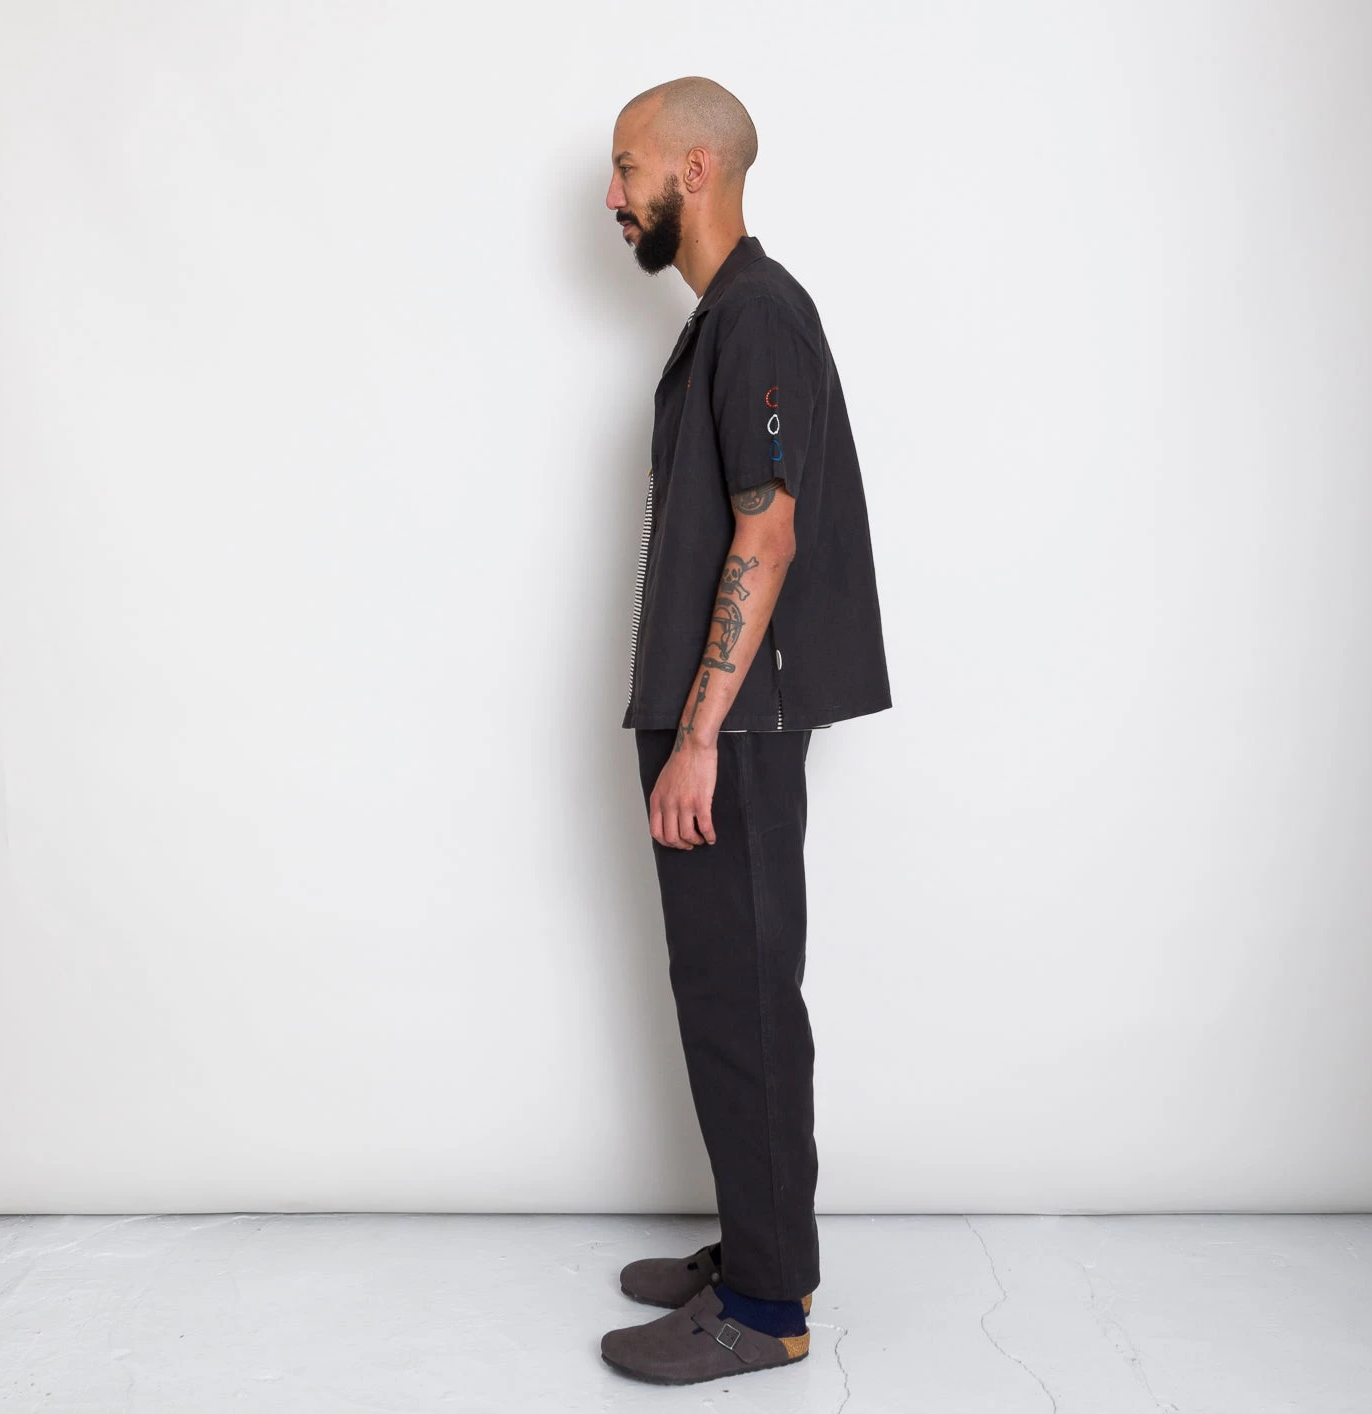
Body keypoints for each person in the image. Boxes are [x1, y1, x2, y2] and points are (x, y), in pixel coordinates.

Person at [599, 75, 892, 1386]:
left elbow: (766, 535)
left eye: (628, 169)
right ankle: (762, 1249)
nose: (614, 197)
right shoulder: (726, 319)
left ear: (695, 171)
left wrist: (700, 733)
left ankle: (768, 1307)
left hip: (736, 725)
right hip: (717, 716)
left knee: (745, 995)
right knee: (723, 987)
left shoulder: (758, 313)